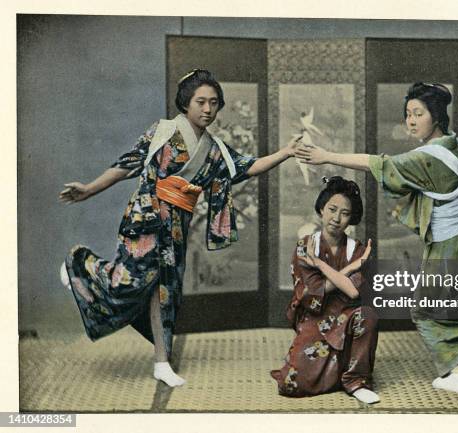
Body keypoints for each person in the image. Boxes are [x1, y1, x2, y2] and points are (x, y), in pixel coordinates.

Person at [59, 69, 300, 387]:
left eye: (214, 103)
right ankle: (79, 264)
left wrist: (285, 152)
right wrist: (89, 189)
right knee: (128, 283)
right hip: (145, 216)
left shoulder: (214, 150)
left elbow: (246, 167)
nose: (208, 109)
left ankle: (162, 362)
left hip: (176, 227)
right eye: (201, 101)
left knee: (164, 294)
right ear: (186, 102)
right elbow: (127, 164)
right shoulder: (163, 131)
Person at [296, 82, 458, 393]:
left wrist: (326, 155)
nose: (410, 121)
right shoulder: (456, 145)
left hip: (449, 243)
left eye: (418, 114)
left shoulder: (427, 158)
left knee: (424, 309)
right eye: (407, 114)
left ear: (435, 116)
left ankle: (454, 373)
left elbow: (378, 164)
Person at [271, 177, 380, 404]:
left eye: (345, 213)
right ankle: (335, 374)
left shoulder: (357, 249)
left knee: (367, 315)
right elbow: (313, 291)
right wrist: (350, 269)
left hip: (348, 316)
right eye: (332, 209)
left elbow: (352, 292)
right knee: (291, 384)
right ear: (322, 209)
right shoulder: (306, 245)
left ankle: (355, 380)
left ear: (352, 218)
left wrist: (320, 265)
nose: (336, 218)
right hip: (315, 316)